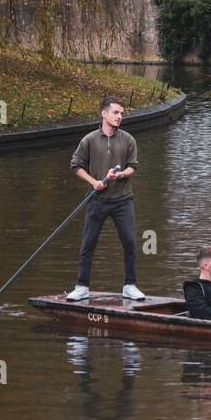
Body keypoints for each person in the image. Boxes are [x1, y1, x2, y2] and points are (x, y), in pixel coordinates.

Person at [66, 95, 144, 301]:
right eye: (115, 112)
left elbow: (132, 167)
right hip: (97, 201)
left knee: (130, 243)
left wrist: (120, 174)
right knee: (87, 244)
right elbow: (76, 165)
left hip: (123, 201)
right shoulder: (89, 140)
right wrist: (94, 182)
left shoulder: (128, 139)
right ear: (103, 114)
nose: (119, 116)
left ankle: (130, 285)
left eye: (121, 113)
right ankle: (81, 287)